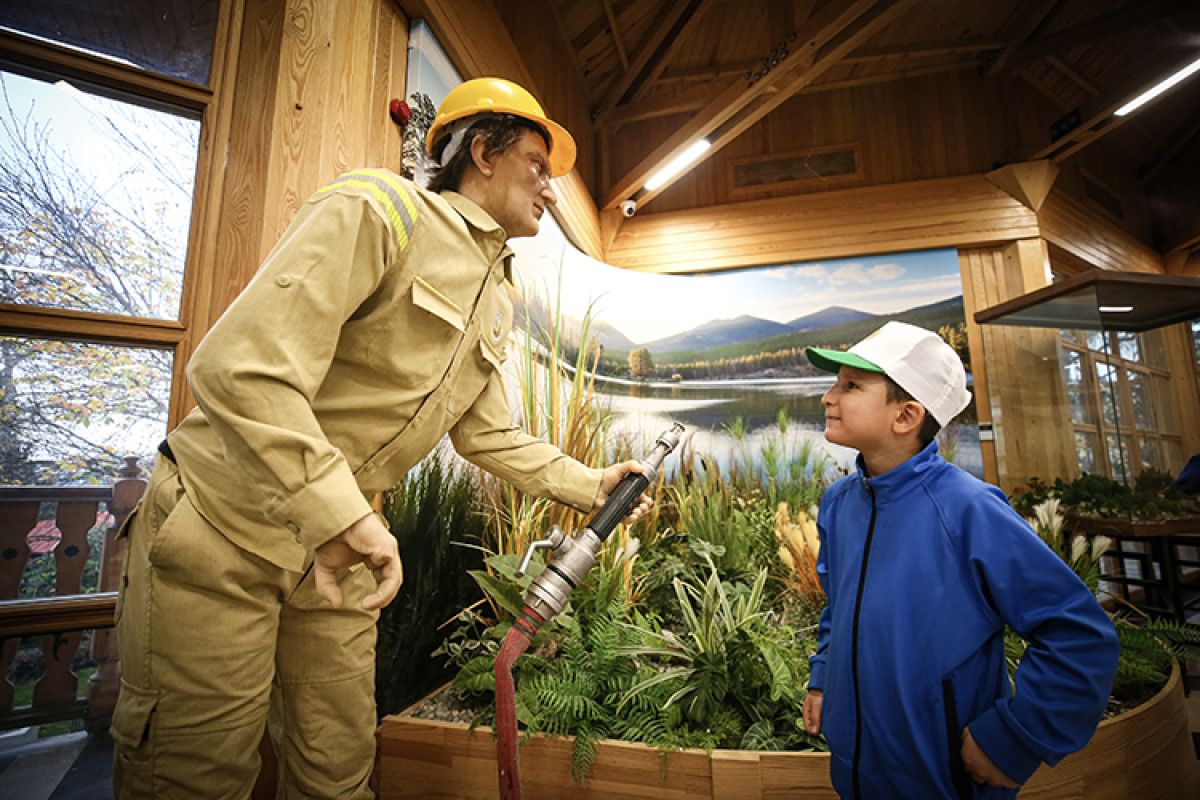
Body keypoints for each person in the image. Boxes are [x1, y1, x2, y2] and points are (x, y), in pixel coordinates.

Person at [110, 77, 653, 798]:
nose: (550, 189)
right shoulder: (378, 209)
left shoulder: (497, 294)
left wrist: (589, 485)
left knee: (339, 775)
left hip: (340, 555)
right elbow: (239, 368)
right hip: (223, 522)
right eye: (536, 163)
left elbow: (488, 435)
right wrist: (341, 511)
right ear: (483, 153)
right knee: (193, 780)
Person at [800, 321, 1118, 800]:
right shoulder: (838, 503)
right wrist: (824, 679)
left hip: (944, 782)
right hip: (854, 778)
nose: (828, 396)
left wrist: (1013, 740)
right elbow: (838, 608)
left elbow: (1080, 636)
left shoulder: (970, 510)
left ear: (906, 415)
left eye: (850, 386)